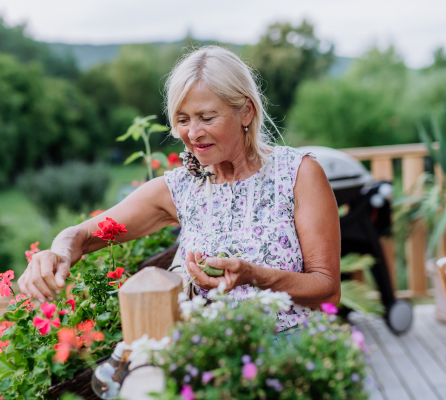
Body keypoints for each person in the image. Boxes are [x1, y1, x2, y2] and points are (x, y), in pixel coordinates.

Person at [19, 46, 340, 331]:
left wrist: (255, 275)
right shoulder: (180, 188)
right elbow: (84, 236)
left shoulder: (298, 173)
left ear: (246, 111)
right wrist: (58, 252)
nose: (193, 132)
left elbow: (328, 287)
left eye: (207, 117)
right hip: (203, 362)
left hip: (288, 351)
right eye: (183, 119)